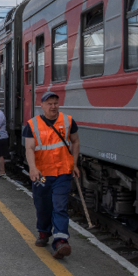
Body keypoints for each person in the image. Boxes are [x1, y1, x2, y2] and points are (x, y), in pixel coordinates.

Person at [23, 91, 80, 260]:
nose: (53, 106)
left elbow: (75, 141)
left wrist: (74, 163)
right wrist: (32, 168)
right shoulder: (32, 125)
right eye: (49, 103)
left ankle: (61, 241)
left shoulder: (69, 121)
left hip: (63, 172)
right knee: (42, 205)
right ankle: (43, 232)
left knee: (60, 205)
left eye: (56, 103)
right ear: (42, 105)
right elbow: (29, 148)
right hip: (41, 174)